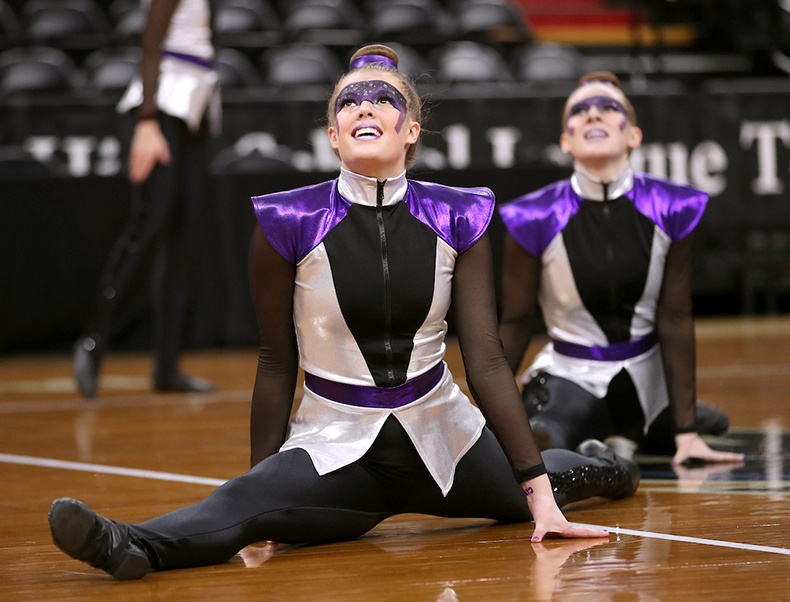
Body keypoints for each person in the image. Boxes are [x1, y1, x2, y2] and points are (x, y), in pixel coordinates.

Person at [48, 46, 640, 582]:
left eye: (384, 98)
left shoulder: (462, 216)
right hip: (336, 445)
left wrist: (539, 495)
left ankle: (609, 469)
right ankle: (127, 544)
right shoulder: (288, 222)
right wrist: (263, 494)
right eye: (349, 100)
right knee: (235, 506)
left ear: (410, 129)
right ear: (333, 133)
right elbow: (276, 362)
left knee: (549, 482)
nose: (365, 105)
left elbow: (485, 360)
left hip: (445, 437)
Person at [497, 71, 745, 467]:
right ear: (566, 140)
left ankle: (655, 423)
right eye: (580, 110)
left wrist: (686, 431)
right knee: (540, 446)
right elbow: (515, 322)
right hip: (571, 374)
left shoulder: (672, 207)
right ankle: (612, 469)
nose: (594, 113)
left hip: (646, 376)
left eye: (609, 107)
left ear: (633, 135)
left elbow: (676, 314)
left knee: (708, 422)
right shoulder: (533, 215)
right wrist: (483, 417)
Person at [73, 0, 219, 397]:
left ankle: (167, 367)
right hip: (162, 107)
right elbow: (150, 45)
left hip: (197, 109)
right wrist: (148, 121)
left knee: (186, 237)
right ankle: (93, 341)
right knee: (149, 227)